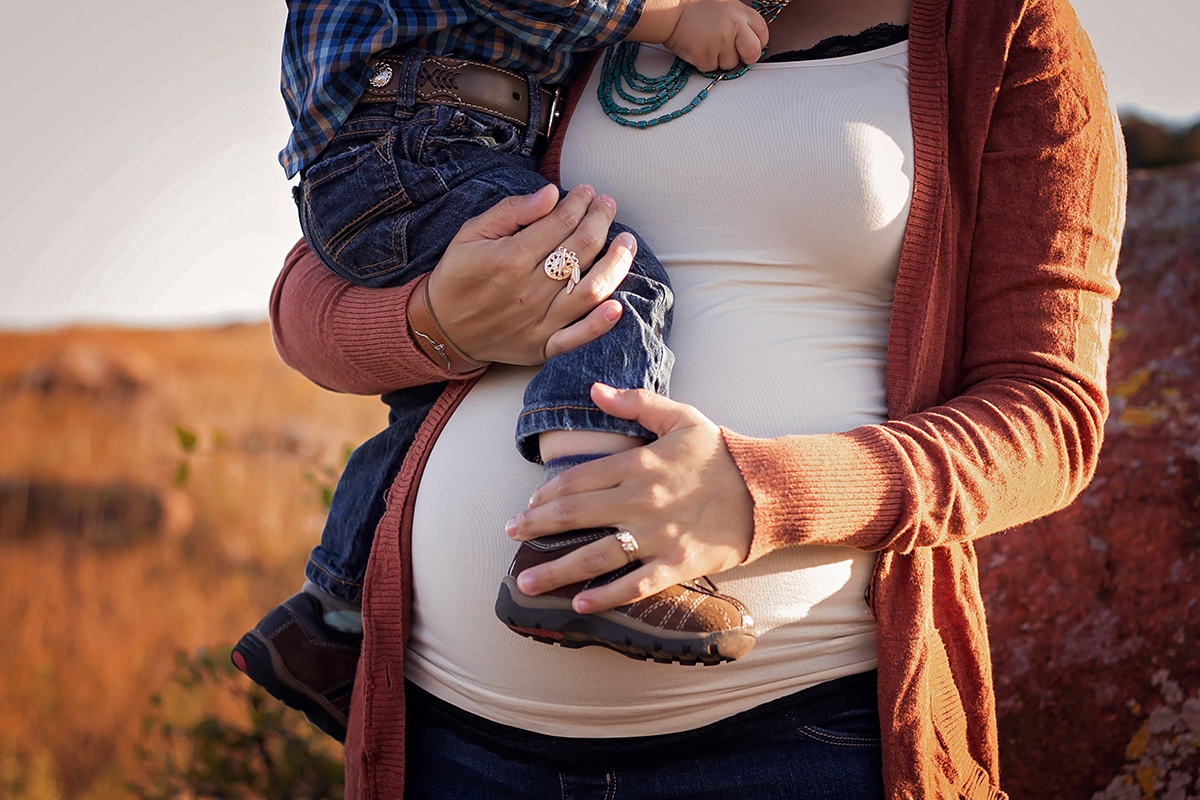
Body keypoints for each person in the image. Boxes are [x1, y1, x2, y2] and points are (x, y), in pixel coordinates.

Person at [268, 0, 1126, 795]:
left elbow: (1047, 414)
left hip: (798, 738)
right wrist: (440, 323)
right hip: (451, 737)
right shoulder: (584, 14)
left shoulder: (1006, 32)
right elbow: (309, 301)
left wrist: (758, 496)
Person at [232, 0, 780, 741]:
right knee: (614, 286)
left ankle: (332, 611)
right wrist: (671, 17)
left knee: (438, 402)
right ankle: (585, 544)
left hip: (415, 136)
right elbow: (303, 306)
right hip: (423, 132)